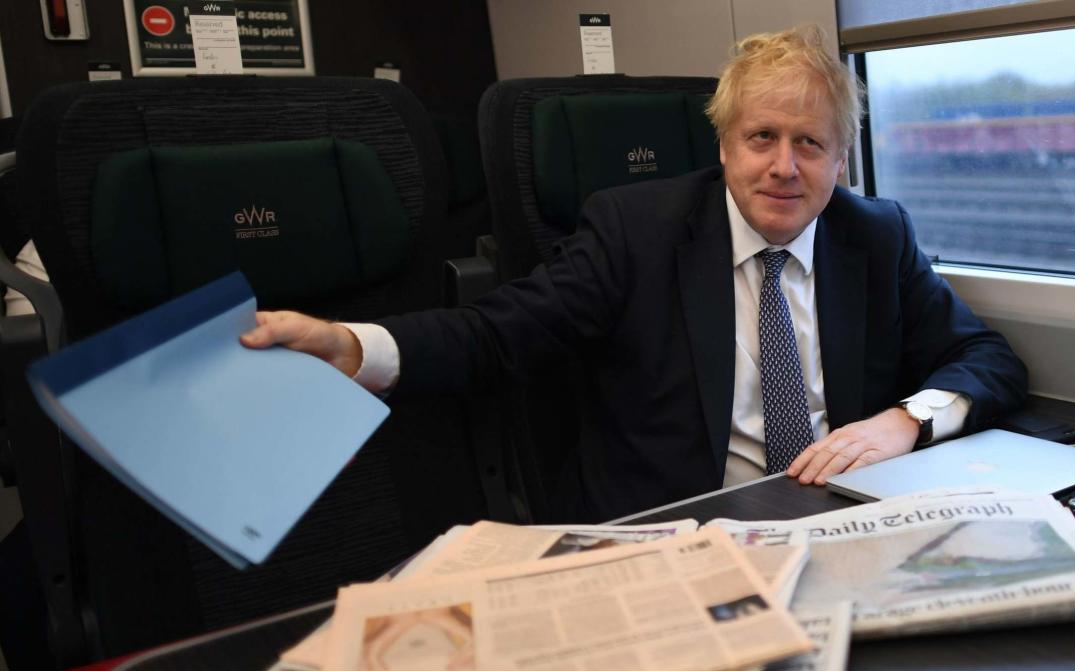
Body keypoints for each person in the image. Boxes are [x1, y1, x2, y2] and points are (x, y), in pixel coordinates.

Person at [242, 23, 1027, 521]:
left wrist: (905, 422)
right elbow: (497, 334)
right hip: (680, 530)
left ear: (840, 159)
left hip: (841, 517)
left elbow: (988, 359)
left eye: (809, 144)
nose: (784, 167)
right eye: (761, 137)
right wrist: (354, 347)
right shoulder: (636, 230)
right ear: (722, 148)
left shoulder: (875, 235)